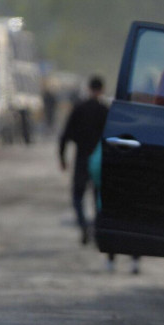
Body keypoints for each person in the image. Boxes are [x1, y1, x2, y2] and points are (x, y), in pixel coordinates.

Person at [59, 75, 109, 245]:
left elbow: (65, 135)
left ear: (89, 88)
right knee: (98, 198)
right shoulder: (105, 110)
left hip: (81, 159)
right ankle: (96, 228)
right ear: (102, 89)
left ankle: (83, 225)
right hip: (100, 162)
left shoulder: (79, 108)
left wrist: (62, 158)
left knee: (77, 196)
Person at [87, 144, 140, 274]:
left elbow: (95, 167)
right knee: (133, 230)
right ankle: (134, 261)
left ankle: (111, 260)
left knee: (112, 230)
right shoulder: (139, 141)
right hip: (132, 200)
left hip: (110, 197)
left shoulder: (109, 141)